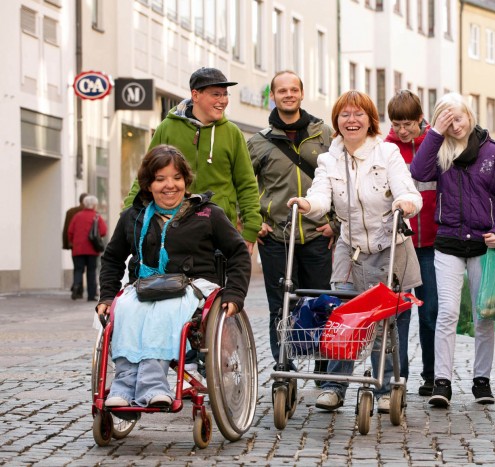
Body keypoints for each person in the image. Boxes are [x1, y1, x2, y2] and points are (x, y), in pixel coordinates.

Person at [288, 90, 423, 414]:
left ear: (370, 120)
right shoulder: (329, 159)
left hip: (390, 244)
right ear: (337, 121)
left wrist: (405, 203)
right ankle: (334, 387)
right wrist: (307, 204)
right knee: (343, 316)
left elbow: (410, 193)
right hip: (350, 249)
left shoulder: (387, 153)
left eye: (358, 114)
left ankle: (386, 388)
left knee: (385, 322)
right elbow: (321, 197)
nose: (352, 120)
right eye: (345, 115)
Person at [96, 145, 251, 408]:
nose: (170, 185)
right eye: (160, 179)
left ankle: (152, 386)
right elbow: (111, 259)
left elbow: (238, 253)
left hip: (193, 286)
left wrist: (235, 293)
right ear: (148, 185)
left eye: (177, 177)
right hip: (144, 286)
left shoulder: (208, 213)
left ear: (186, 181)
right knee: (125, 311)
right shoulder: (132, 218)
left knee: (165, 310)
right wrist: (108, 297)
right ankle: (123, 385)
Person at [410, 92, 495, 408]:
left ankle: (481, 380)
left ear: (470, 116)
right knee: (447, 313)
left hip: (483, 246)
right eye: (447, 119)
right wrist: (434, 132)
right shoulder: (440, 150)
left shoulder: (493, 153)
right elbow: (419, 172)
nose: (454, 125)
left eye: (458, 118)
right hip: (448, 244)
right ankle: (442, 381)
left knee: (483, 315)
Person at [247, 71, 336, 374]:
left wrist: (334, 223)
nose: (288, 94)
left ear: (301, 93)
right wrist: (252, 221)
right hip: (277, 238)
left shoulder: (322, 134)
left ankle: (325, 374)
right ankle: (285, 367)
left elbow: (340, 180)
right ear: (273, 95)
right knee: (280, 306)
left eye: (293, 89)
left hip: (316, 234)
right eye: (282, 90)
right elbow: (244, 186)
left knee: (321, 303)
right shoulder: (259, 142)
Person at [123, 67, 261, 254]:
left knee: (217, 284)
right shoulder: (167, 128)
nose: (223, 101)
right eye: (216, 94)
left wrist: (250, 228)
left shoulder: (232, 133)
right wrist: (128, 216)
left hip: (218, 231)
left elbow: (246, 184)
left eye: (225, 94)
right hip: (171, 228)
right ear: (195, 95)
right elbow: (145, 177)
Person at [385, 90, 438, 396]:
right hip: (401, 243)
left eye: (407, 124)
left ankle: (430, 374)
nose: (402, 130)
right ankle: (398, 375)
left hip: (431, 244)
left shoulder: (435, 144)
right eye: (396, 124)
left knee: (430, 311)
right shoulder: (387, 148)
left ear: (421, 119)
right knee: (399, 311)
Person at [67, 195, 107, 301]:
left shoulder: (77, 216)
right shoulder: (96, 216)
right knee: (91, 271)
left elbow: (70, 231)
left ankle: (76, 288)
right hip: (92, 249)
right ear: (94, 205)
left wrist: (73, 241)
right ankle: (91, 295)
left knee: (78, 270)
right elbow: (103, 231)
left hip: (78, 248)